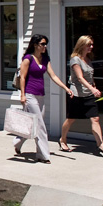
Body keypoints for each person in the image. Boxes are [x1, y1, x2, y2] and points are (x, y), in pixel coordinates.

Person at [14, 34, 73, 163]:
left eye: (46, 44)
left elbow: (53, 76)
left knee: (32, 125)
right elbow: (22, 77)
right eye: (43, 44)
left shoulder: (45, 58)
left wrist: (66, 88)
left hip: (40, 95)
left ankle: (17, 142)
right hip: (29, 95)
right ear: (35, 45)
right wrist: (23, 95)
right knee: (40, 126)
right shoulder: (28, 58)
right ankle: (43, 155)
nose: (45, 46)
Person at [59, 35, 103, 156]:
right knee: (71, 119)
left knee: (95, 118)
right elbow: (80, 78)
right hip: (77, 94)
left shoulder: (88, 59)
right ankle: (63, 139)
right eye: (89, 45)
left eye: (92, 45)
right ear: (82, 45)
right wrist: (93, 89)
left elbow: (90, 77)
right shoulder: (75, 60)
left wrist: (94, 87)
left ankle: (101, 145)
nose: (91, 47)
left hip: (88, 94)